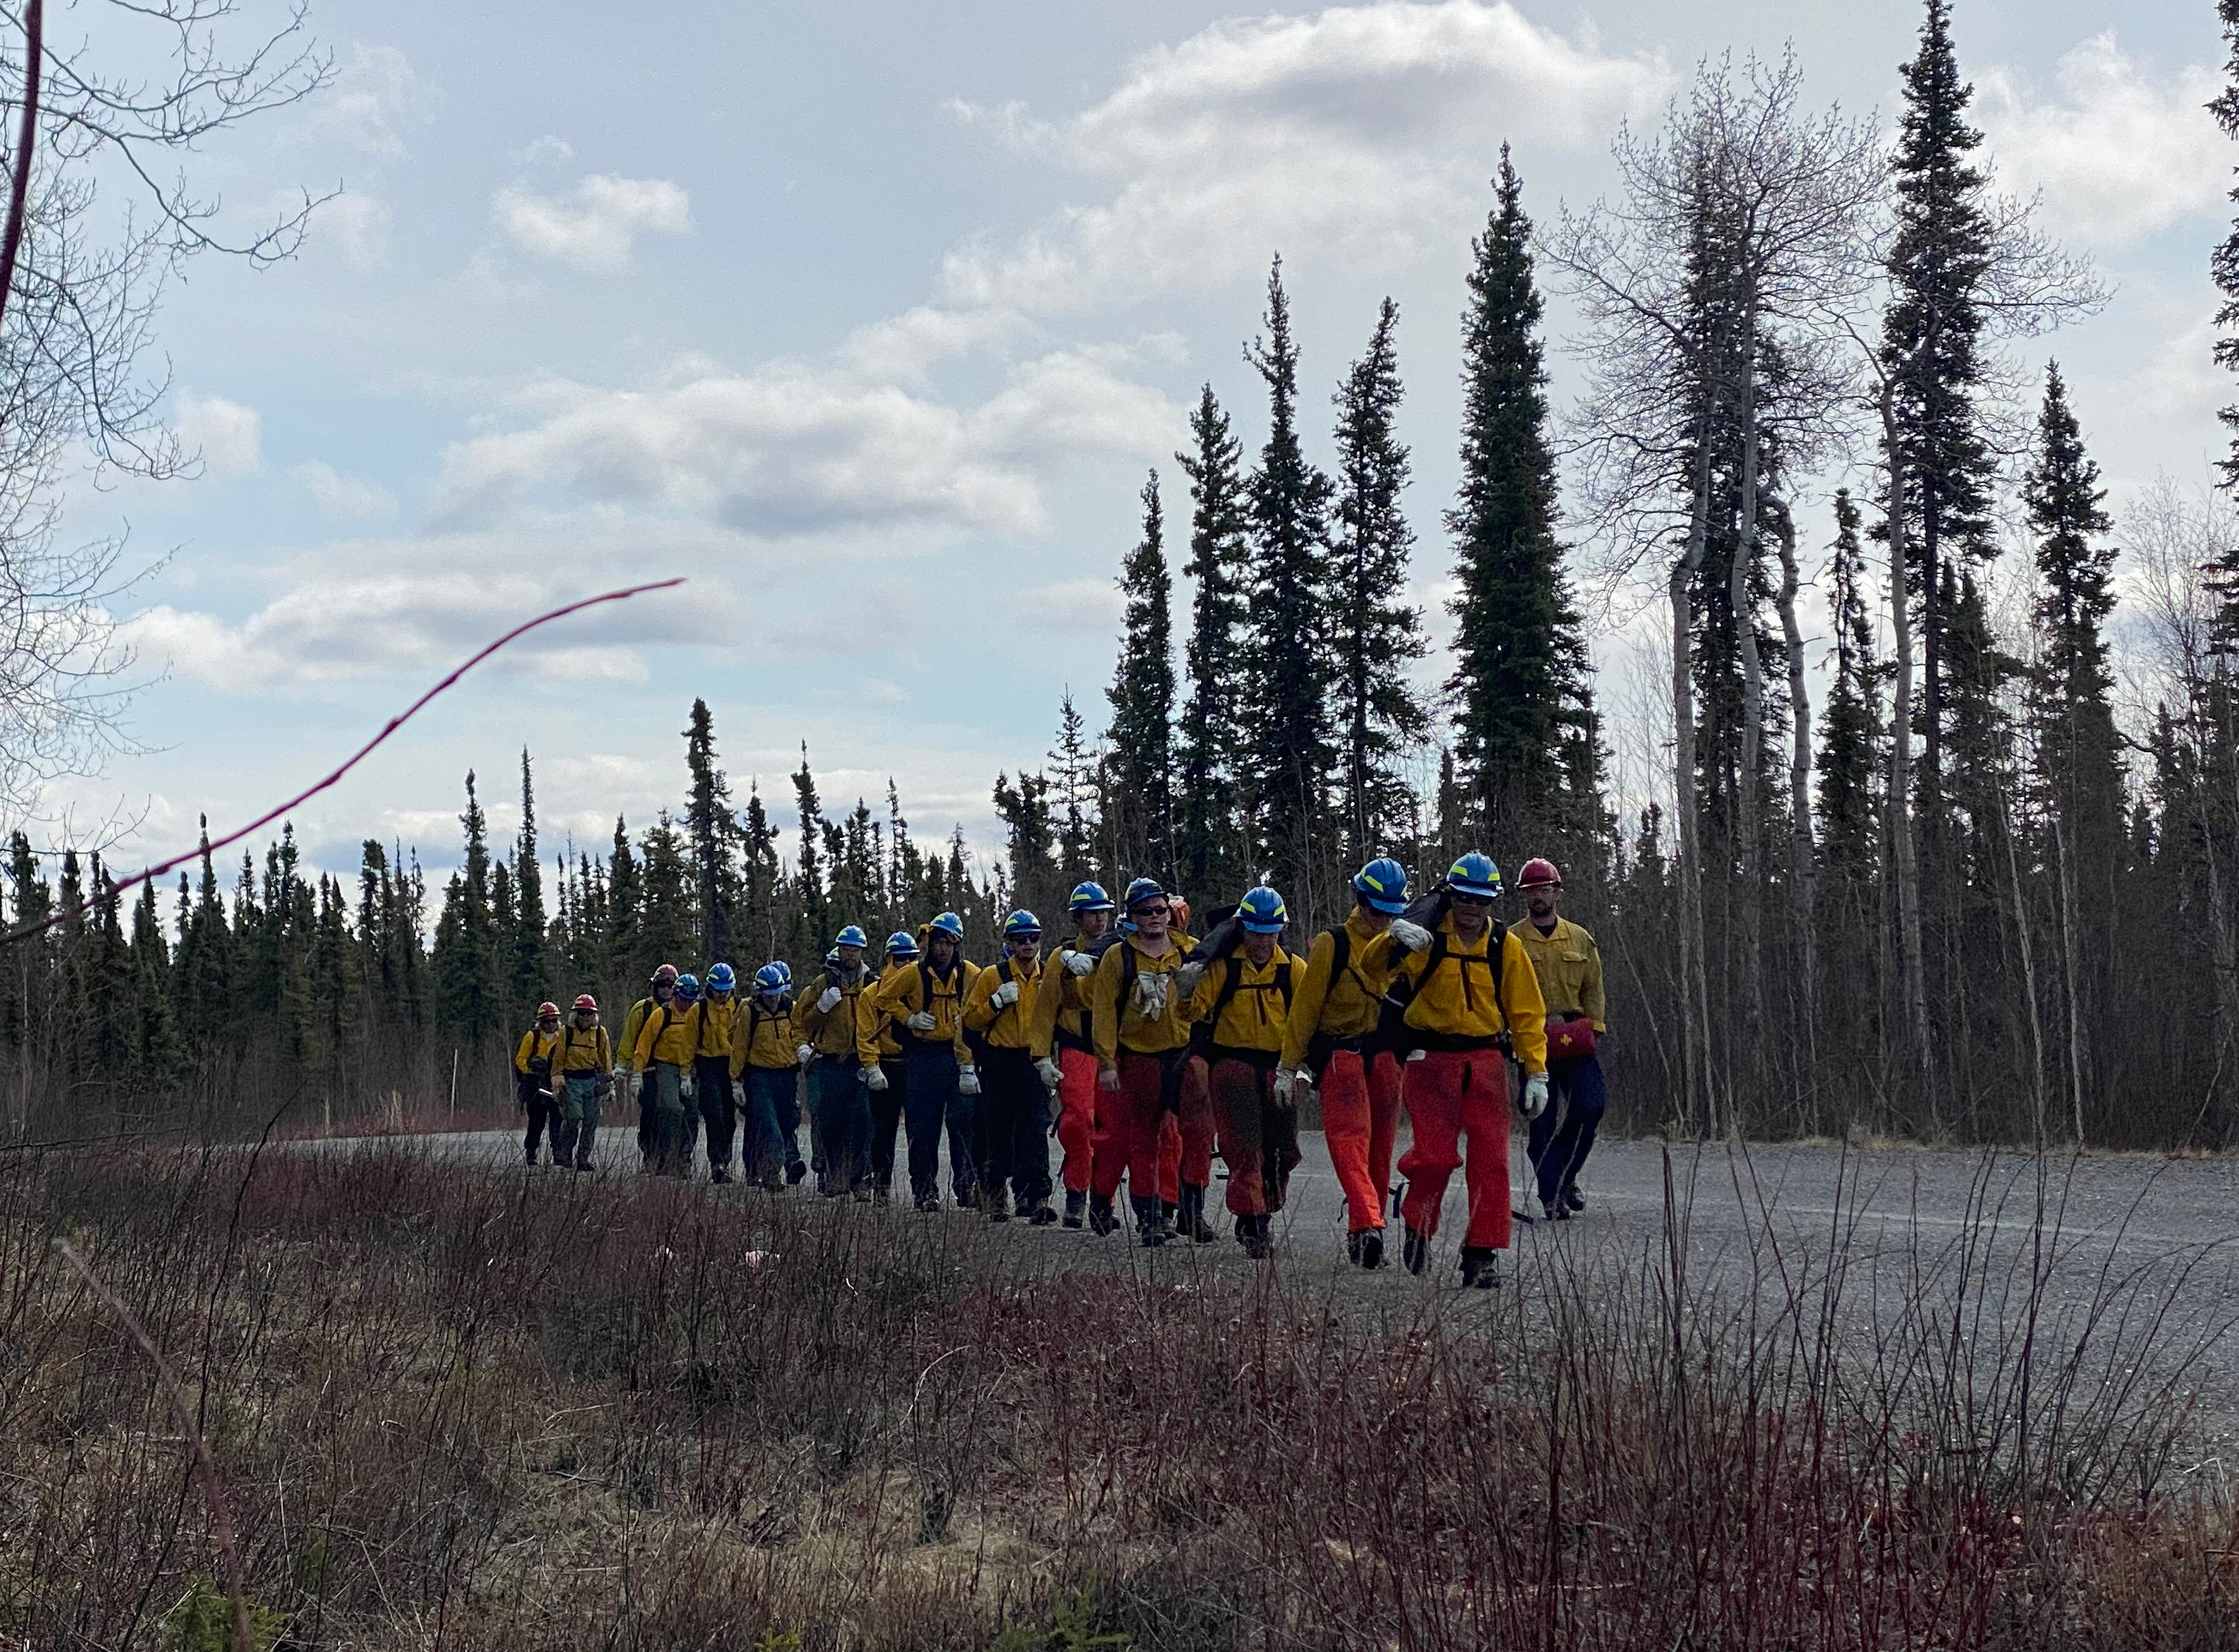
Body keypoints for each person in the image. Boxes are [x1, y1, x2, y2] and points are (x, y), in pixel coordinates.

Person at [1385, 853, 1548, 1288]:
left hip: (1486, 1061)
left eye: (1483, 899)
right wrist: (1395, 936)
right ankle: (1418, 1221)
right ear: (1450, 896)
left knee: (1492, 1160)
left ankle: (1482, 1252)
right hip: (1429, 1061)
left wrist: (1536, 1070)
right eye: (1464, 898)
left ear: (1493, 901)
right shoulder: (1425, 940)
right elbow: (1372, 968)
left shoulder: (1504, 946)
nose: (1473, 908)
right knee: (1435, 1157)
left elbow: (1527, 1013)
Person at [1276, 858, 1412, 1269]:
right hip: (1342, 1055)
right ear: (1361, 901)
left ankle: (1365, 1231)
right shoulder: (1332, 945)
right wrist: (1289, 1065)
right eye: (1377, 910)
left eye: (1391, 911)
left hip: (1388, 1056)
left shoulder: (1404, 943)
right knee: (1349, 1141)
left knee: (1381, 1148)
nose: (1383, 918)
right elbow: (1305, 1009)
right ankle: (1370, 1223)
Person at [1089, 877, 1211, 1248]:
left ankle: (1192, 1206)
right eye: (1145, 911)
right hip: (1138, 1056)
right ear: (1132, 917)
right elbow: (1104, 1012)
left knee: (1198, 1131)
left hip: (1184, 1052)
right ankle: (1150, 1215)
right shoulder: (1118, 957)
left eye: (1160, 910)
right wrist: (1107, 1062)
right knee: (1144, 1137)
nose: (1155, 917)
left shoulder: (1190, 951)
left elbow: (1212, 1000)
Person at [1188, 887, 1300, 1258]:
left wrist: (1304, 1070)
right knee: (1244, 1147)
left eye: (1270, 932)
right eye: (1255, 932)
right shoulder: (1223, 968)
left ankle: (1263, 1206)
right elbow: (1189, 1014)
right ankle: (1254, 1222)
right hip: (1231, 1066)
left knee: (1283, 1152)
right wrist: (1185, 993)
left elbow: (1308, 1020)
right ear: (1242, 930)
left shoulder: (1293, 969)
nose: (1262, 941)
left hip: (1279, 1068)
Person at [1509, 858, 1608, 1223]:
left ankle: (1566, 1175)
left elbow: (1593, 986)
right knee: (1542, 1118)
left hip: (1574, 1037)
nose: (1538, 896)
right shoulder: (1512, 940)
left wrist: (1594, 1026)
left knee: (1591, 1105)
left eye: (1544, 889)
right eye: (1531, 890)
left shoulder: (1580, 938)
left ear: (1557, 893)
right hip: (1532, 1040)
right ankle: (1551, 1193)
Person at [863, 913, 982, 1211]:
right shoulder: (913, 974)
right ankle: (925, 1191)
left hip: (958, 1057)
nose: (942, 949)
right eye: (938, 942)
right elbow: (883, 999)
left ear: (957, 944)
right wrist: (909, 1017)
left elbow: (983, 1003)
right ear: (931, 943)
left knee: (965, 1125)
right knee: (923, 1128)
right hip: (923, 1058)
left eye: (948, 943)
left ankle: (966, 1186)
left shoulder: (971, 974)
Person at [1028, 881, 1116, 1228]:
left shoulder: (1118, 952)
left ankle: (1103, 1201)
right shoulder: (1060, 959)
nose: (1100, 921)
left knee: (1111, 1128)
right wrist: (1041, 1056)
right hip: (1077, 1048)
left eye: (1104, 914)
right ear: (1078, 918)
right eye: (1092, 915)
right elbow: (1045, 1007)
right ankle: (1077, 1194)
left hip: (1113, 1051)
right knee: (1078, 1123)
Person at [964, 910, 1054, 1224]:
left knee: (1034, 1130)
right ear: (1010, 943)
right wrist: (995, 1003)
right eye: (1021, 939)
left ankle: (1037, 1197)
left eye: (1033, 938)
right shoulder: (993, 976)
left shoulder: (1047, 976)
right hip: (1000, 1062)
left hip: (1034, 1060)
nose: (1028, 944)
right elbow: (971, 1020)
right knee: (997, 1131)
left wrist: (1051, 1059)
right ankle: (995, 1193)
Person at [799, 925, 878, 1198]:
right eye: (846, 949)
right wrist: (822, 1007)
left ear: (862, 952)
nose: (850, 954)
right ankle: (833, 1176)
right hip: (831, 1062)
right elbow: (804, 1023)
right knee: (831, 1121)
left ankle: (860, 1180)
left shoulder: (871, 983)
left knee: (863, 1121)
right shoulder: (823, 983)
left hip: (861, 1061)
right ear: (839, 950)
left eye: (855, 949)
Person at [860, 931, 920, 1198]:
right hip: (885, 1066)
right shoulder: (871, 995)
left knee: (920, 1131)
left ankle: (922, 1188)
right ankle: (881, 1183)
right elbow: (865, 1033)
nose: (905, 965)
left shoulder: (921, 993)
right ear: (887, 960)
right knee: (882, 1131)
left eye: (911, 959)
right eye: (900, 959)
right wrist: (872, 1066)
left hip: (916, 1065)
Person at [734, 963, 802, 1189]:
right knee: (769, 1125)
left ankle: (764, 1168)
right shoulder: (750, 1012)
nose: (773, 999)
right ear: (760, 991)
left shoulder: (792, 1008)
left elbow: (801, 1035)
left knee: (786, 1123)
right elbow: (740, 1047)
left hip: (787, 1076)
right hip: (759, 1077)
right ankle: (772, 1174)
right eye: (768, 994)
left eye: (776, 993)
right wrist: (736, 1080)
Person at [631, 969, 699, 1176]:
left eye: (690, 1000)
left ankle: (683, 1160)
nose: (686, 1004)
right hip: (665, 1067)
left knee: (691, 1114)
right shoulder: (662, 1014)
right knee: (671, 1108)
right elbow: (643, 1044)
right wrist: (637, 1073)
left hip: (691, 1067)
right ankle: (665, 1159)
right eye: (682, 999)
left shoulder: (696, 1013)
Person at [618, 963, 679, 1168]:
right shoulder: (642, 1009)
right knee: (651, 1112)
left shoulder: (685, 1010)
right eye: (662, 984)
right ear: (655, 986)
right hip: (647, 1071)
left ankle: (671, 1158)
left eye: (671, 984)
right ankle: (650, 1155)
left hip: (674, 1070)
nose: (666, 988)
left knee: (672, 1114)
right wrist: (624, 1067)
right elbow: (629, 1040)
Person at [686, 962, 740, 1182]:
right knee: (714, 1115)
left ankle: (724, 1163)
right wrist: (685, 1074)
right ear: (710, 988)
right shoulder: (697, 1011)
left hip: (732, 1066)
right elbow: (688, 1045)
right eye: (719, 990)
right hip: (707, 1067)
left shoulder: (739, 1007)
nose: (722, 995)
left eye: (726, 990)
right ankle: (716, 1162)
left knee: (729, 1118)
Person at [552, 994, 612, 1171]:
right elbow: (559, 1057)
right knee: (574, 1116)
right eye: (582, 1013)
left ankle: (583, 1157)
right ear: (576, 1014)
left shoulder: (600, 1033)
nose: (585, 1017)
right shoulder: (566, 1032)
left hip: (591, 1081)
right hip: (572, 1080)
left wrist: (608, 1082)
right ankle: (564, 1153)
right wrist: (557, 1079)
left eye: (589, 1013)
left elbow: (605, 1057)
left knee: (591, 1120)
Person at [514, 1001, 564, 1166]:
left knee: (558, 1118)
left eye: (553, 1020)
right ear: (540, 1022)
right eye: (546, 1021)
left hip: (555, 1082)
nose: (550, 1024)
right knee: (537, 1120)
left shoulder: (563, 1036)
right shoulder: (532, 1037)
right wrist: (532, 1068)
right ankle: (531, 1152)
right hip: (535, 1085)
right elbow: (520, 1060)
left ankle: (558, 1152)